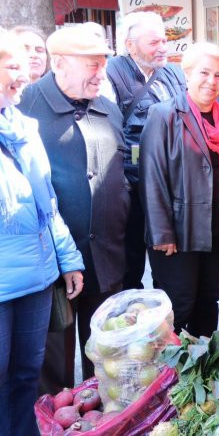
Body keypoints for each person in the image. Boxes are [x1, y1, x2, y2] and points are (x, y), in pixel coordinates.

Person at [18, 24, 130, 392]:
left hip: (107, 257)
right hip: (51, 266)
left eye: (103, 64)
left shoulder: (108, 108)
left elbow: (124, 170)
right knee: (54, 371)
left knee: (105, 360)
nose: (102, 73)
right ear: (60, 64)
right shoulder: (25, 107)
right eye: (92, 65)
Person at [0, 28, 84, 435]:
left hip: (35, 280)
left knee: (25, 377)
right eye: (12, 65)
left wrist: (67, 259)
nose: (24, 73)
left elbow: (47, 204)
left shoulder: (23, 127)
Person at [140, 42, 219, 337]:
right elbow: (152, 177)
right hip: (180, 232)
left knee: (208, 301)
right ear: (187, 73)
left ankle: (202, 367)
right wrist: (162, 233)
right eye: (204, 72)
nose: (211, 82)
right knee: (179, 304)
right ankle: (167, 374)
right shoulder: (163, 115)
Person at [107, 11, 187, 291]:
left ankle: (168, 323)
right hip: (132, 186)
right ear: (131, 45)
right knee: (130, 263)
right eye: (154, 42)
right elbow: (108, 133)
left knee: (169, 262)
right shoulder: (111, 73)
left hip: (170, 185)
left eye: (165, 41)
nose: (163, 48)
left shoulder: (174, 72)